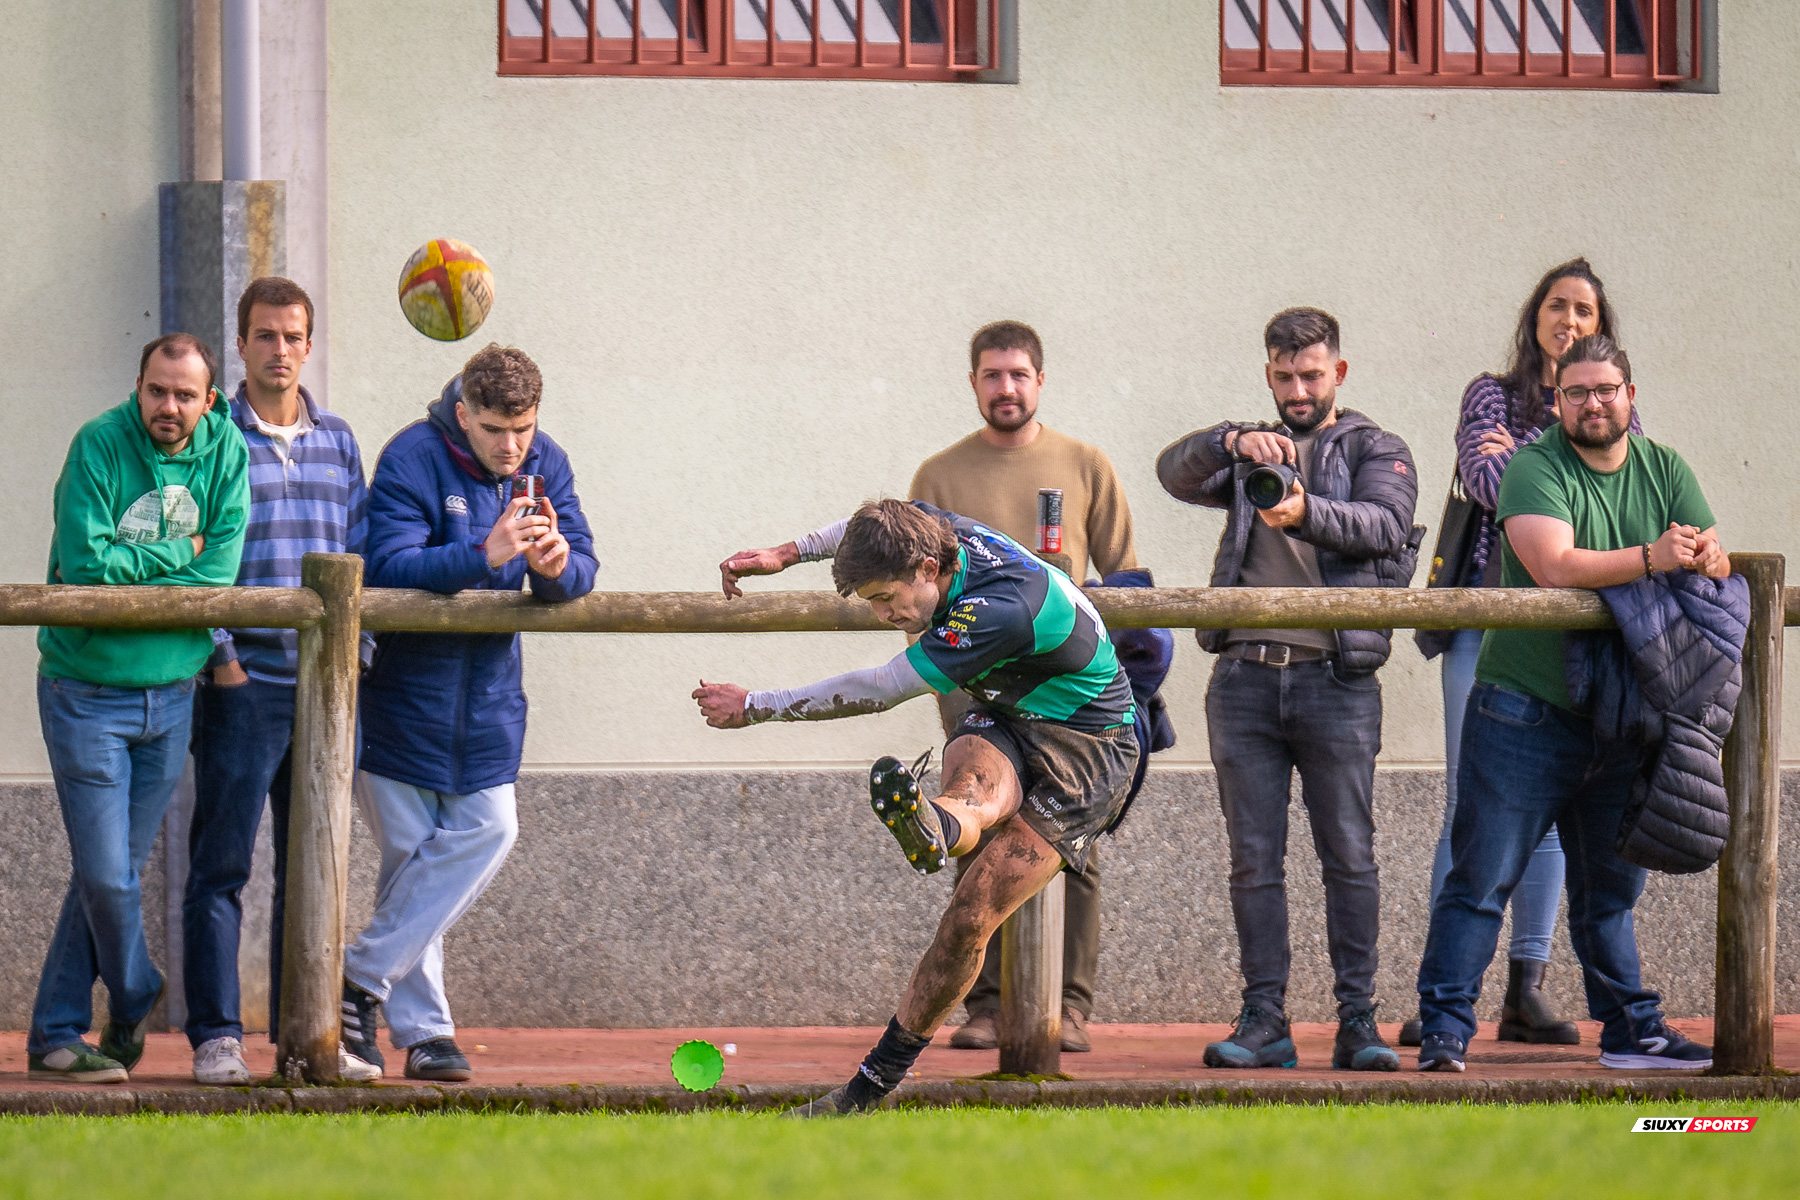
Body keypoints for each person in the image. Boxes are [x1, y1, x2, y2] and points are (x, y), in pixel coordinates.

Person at [695, 498, 1139, 1114]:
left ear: (928, 568)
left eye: (886, 599)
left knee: (973, 913)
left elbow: (881, 690)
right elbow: (858, 526)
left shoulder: (997, 612)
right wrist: (784, 554)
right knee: (970, 824)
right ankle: (935, 822)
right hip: (1011, 713)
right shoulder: (932, 527)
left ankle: (869, 1087)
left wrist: (756, 706)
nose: (883, 615)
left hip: (1091, 748)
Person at [1415, 334, 1722, 1073]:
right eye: (1577, 392)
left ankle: (1629, 1030)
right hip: (1524, 709)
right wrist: (1656, 556)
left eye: (1606, 390)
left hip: (1624, 711)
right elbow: (1555, 563)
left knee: (1610, 891)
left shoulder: (1665, 466)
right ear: (1557, 401)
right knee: (1482, 878)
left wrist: (1708, 555)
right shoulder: (1534, 466)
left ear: (1630, 396)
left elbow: (1708, 547)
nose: (1593, 403)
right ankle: (1444, 1035)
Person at [1157, 307, 1420, 1072]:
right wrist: (1231, 442)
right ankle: (1265, 1019)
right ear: (1268, 373)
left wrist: (1304, 512)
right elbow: (1172, 472)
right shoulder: (1250, 453)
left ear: (1338, 372)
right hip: (1243, 679)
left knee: (1350, 856)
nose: (1298, 388)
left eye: (1312, 375)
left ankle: (1358, 1022)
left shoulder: (1377, 446)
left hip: (1336, 681)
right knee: (1252, 860)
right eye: (1284, 376)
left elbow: (1385, 524)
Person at [338, 344, 598, 1082]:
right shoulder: (412, 457)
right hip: (399, 706)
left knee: (489, 830)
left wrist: (553, 571)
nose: (512, 448)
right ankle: (425, 1035)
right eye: (493, 431)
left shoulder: (547, 458)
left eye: (523, 430)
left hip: (488, 710)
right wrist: (482, 555)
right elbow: (385, 568)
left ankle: (357, 979)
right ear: (463, 413)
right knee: (414, 861)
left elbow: (582, 564)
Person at [1402, 259, 1632, 1048]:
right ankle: (1445, 992)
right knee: (1476, 806)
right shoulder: (1488, 393)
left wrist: (1538, 468)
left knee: (1554, 811)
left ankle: (1525, 989)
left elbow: (1609, 495)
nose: (1569, 319)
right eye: (1558, 306)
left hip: (1574, 632)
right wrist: (1556, 471)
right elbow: (1489, 477)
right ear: (1535, 316)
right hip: (1486, 622)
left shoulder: (1610, 401)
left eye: (1585, 310)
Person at [909, 319, 1140, 1054]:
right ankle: (985, 1007)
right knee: (974, 828)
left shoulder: (1085, 464)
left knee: (1073, 847)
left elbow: (1128, 577)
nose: (1006, 387)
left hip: (1070, 703)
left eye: (1018, 374)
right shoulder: (938, 479)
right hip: (974, 696)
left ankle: (1067, 1009)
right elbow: (914, 591)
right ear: (972, 382)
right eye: (991, 374)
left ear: (1040, 382)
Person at [29, 334, 249, 1083]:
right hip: (86, 689)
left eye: (185, 394)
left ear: (208, 401)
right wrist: (178, 554)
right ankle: (136, 992)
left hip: (173, 695)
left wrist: (184, 564)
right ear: (139, 386)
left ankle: (56, 1036)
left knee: (107, 874)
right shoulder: (98, 444)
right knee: (109, 876)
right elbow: (87, 568)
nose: (169, 406)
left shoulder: (227, 453)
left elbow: (220, 570)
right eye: (157, 390)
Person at [182, 278, 374, 1084]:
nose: (281, 350)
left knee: (315, 870)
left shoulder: (339, 440)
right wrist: (221, 656)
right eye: (265, 335)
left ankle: (311, 1037)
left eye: (294, 336)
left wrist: (356, 662)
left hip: (324, 689)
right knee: (221, 865)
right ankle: (216, 1036)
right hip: (244, 680)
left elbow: (366, 550)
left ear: (308, 342)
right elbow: (189, 554)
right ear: (242, 344)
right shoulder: (213, 436)